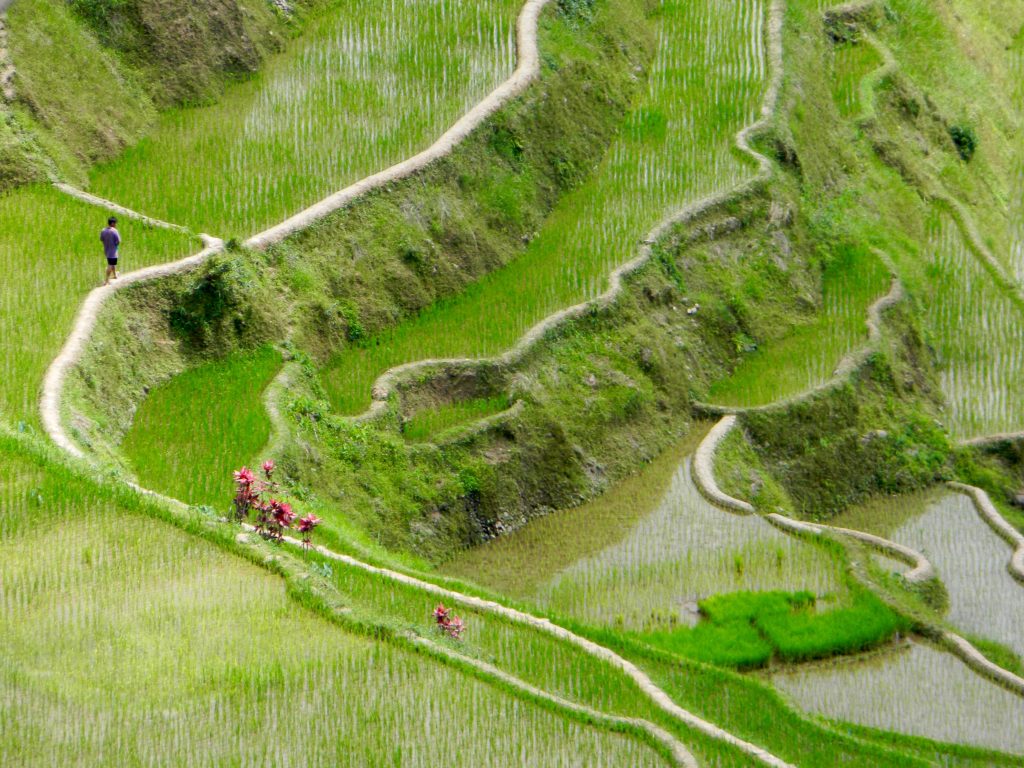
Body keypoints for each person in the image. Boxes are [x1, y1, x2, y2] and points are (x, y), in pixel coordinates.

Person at [100, 216, 121, 286]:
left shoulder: (103, 230)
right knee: (110, 265)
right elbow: (118, 241)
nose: (115, 225)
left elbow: (101, 239)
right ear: (112, 223)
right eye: (115, 223)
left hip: (106, 250)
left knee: (112, 263)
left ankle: (115, 275)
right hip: (113, 251)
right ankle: (106, 280)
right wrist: (115, 245)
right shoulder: (114, 231)